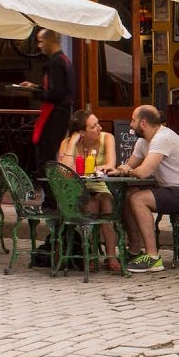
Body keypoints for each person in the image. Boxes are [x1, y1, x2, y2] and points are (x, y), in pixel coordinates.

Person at [101, 105, 179, 273]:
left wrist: (127, 171)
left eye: (133, 120)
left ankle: (152, 257)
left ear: (143, 123)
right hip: (175, 190)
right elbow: (130, 164)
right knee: (130, 193)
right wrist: (119, 170)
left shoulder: (162, 138)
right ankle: (135, 250)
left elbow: (143, 172)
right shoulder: (144, 141)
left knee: (138, 199)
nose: (130, 124)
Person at [57, 111, 119, 271]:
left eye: (98, 123)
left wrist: (80, 169)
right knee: (91, 205)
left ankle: (111, 256)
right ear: (82, 132)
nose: (99, 127)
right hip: (77, 190)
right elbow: (64, 171)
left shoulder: (107, 138)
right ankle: (90, 255)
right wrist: (72, 143)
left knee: (106, 203)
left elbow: (110, 164)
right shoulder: (67, 143)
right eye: (94, 126)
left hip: (99, 186)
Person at [20, 29, 74, 175]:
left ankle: (50, 196)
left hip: (54, 114)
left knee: (46, 156)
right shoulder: (65, 60)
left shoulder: (55, 63)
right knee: (49, 154)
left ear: (51, 41)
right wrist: (35, 87)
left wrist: (35, 92)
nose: (39, 46)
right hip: (61, 113)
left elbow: (56, 93)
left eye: (41, 41)